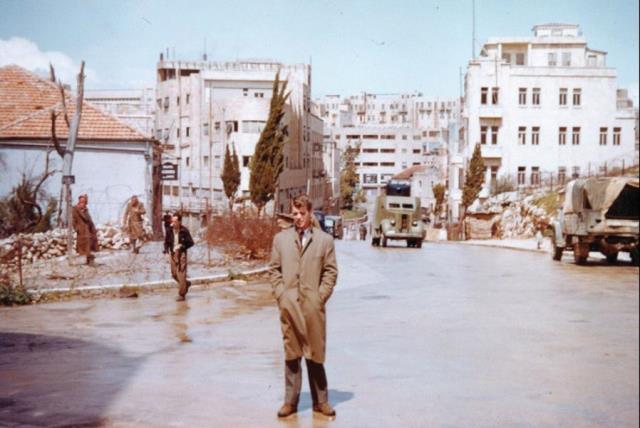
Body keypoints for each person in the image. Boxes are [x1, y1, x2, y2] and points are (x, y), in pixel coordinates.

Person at [269, 194, 338, 419]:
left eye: (301, 213)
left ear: (309, 213)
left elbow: (330, 272)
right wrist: (282, 295)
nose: (297, 218)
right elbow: (274, 270)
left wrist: (320, 297)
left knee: (315, 353)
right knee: (292, 353)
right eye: (294, 214)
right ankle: (290, 402)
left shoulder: (324, 241)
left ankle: (321, 401)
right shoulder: (281, 239)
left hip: (312, 307)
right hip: (289, 306)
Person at [165, 213, 194, 301]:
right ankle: (186, 284)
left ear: (179, 222)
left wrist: (182, 246)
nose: (173, 223)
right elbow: (166, 242)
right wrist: (166, 252)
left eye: (175, 221)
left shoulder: (184, 230)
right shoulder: (169, 230)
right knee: (174, 274)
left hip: (181, 253)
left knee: (181, 273)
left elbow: (191, 243)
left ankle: (182, 294)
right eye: (172, 221)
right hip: (172, 253)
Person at [72, 194, 98, 265]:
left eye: (84, 202)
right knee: (83, 246)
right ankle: (89, 259)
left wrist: (93, 229)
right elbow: (73, 220)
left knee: (89, 245)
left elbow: (89, 220)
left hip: (88, 230)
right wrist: (76, 228)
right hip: (81, 230)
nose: (83, 203)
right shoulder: (75, 209)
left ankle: (89, 259)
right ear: (79, 202)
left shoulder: (85, 210)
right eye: (82, 202)